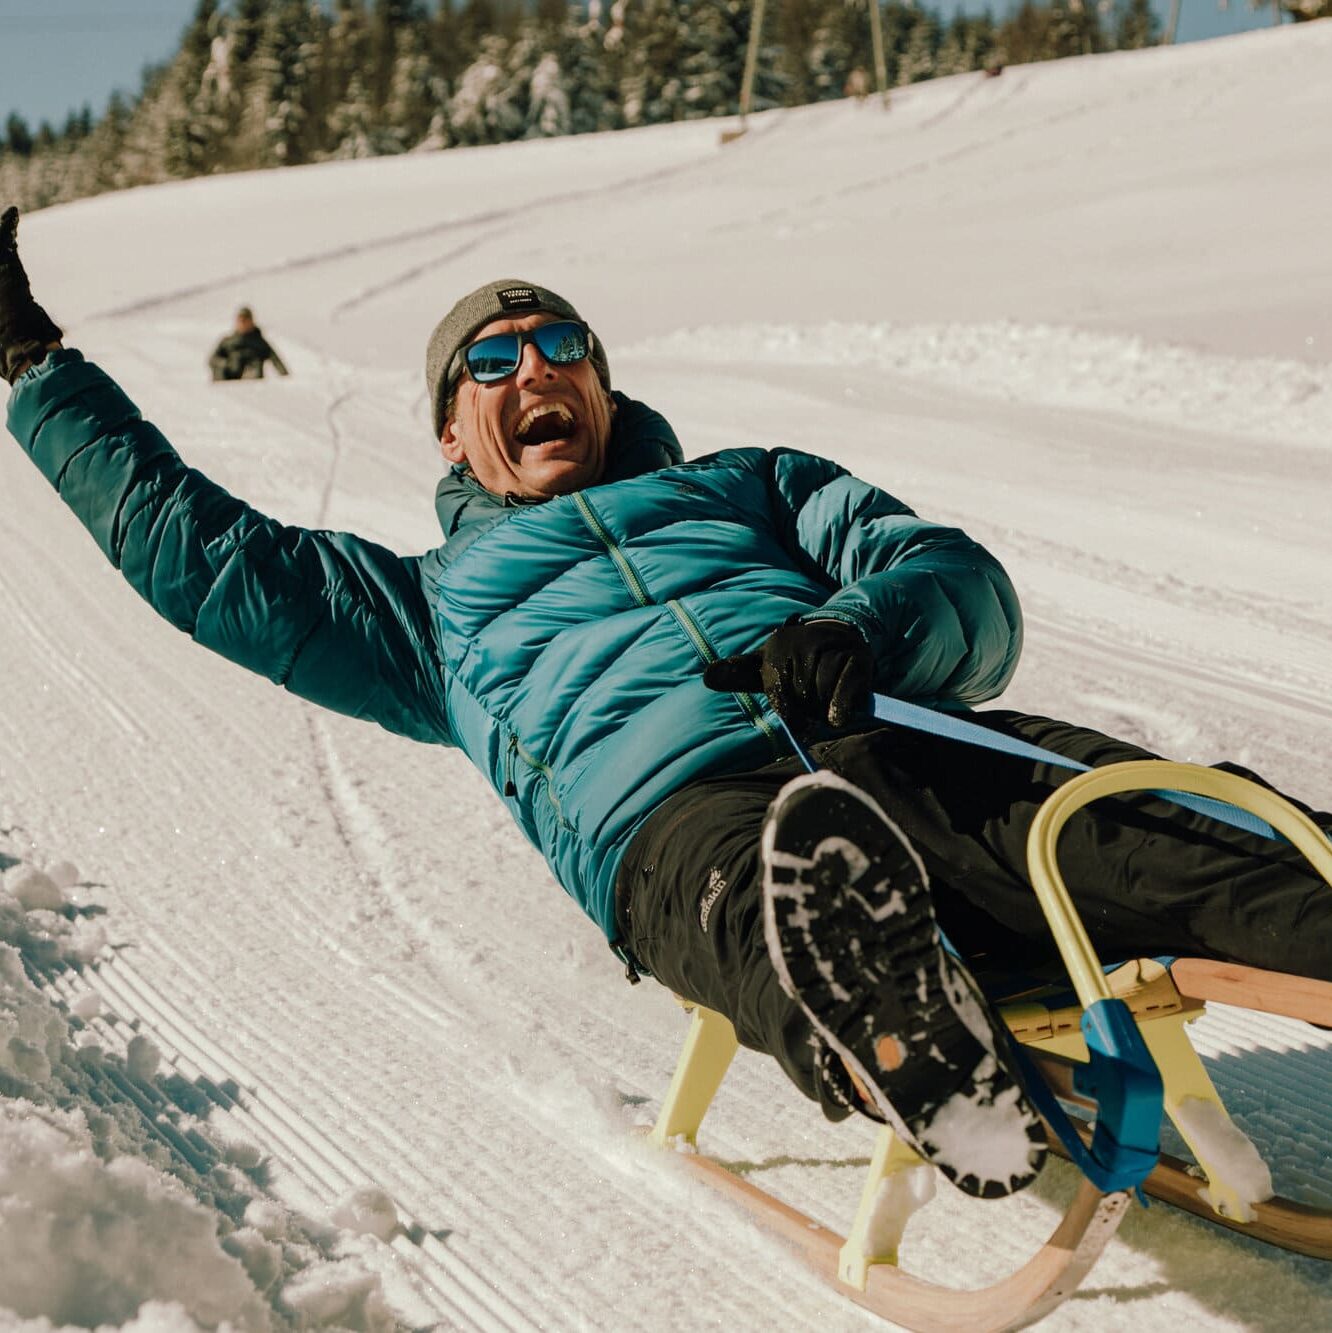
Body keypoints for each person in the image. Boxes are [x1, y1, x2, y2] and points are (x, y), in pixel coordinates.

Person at [4, 207, 1330, 1200]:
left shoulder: (751, 484)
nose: (534, 369)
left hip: (901, 736)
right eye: (492, 358)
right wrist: (32, 365)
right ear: (452, 431)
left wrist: (860, 628)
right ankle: (905, 1035)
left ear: (604, 381)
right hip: (680, 816)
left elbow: (958, 581)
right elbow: (195, 553)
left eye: (558, 341)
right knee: (779, 893)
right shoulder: (420, 609)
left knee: (1195, 838)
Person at [208, 305, 289, 381]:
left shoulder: (259, 342)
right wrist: (226, 364)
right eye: (241, 320)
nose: (243, 323)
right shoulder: (227, 341)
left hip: (251, 380)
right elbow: (212, 359)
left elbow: (275, 359)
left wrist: (285, 377)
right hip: (228, 379)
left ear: (251, 321)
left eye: (246, 320)